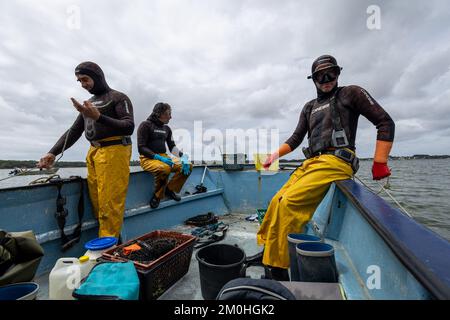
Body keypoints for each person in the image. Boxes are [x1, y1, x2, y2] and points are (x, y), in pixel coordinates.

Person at [256, 55, 395, 280]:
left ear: (338, 73)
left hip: (337, 161)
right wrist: (273, 156)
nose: (327, 79)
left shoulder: (351, 93)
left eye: (332, 73)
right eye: (321, 75)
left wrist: (380, 162)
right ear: (314, 79)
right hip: (312, 162)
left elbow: (385, 122)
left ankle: (278, 269)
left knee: (289, 204)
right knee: (276, 202)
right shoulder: (309, 107)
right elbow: (295, 138)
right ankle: (267, 251)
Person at [37, 61, 134, 238]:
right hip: (94, 153)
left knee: (109, 203)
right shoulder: (88, 103)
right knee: (97, 201)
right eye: (79, 81)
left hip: (114, 151)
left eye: (85, 79)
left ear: (97, 77)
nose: (83, 84)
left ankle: (108, 248)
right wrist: (52, 152)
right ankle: (111, 237)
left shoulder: (118, 98)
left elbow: (128, 126)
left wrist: (99, 117)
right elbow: (74, 131)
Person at [137, 102, 192, 209]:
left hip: (164, 157)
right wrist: (158, 157)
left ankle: (170, 189)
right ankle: (157, 196)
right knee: (164, 168)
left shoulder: (167, 129)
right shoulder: (145, 125)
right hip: (148, 158)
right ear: (159, 114)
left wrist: (183, 156)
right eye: (168, 114)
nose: (170, 117)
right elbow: (141, 147)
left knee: (188, 166)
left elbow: (172, 147)